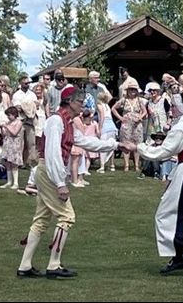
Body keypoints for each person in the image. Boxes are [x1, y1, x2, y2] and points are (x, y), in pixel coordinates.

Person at [17, 86, 116, 280]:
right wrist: (60, 183)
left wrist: (114, 144)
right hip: (49, 172)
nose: (83, 106)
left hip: (48, 172)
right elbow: (53, 153)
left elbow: (86, 142)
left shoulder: (67, 122)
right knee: (67, 216)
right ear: (70, 101)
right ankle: (54, 264)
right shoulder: (56, 121)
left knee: (42, 220)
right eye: (80, 102)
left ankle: (25, 265)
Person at [121, 111, 183, 276]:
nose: (172, 110)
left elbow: (162, 152)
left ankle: (178, 258)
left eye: (174, 107)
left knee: (164, 215)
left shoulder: (182, 128)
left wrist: (137, 147)